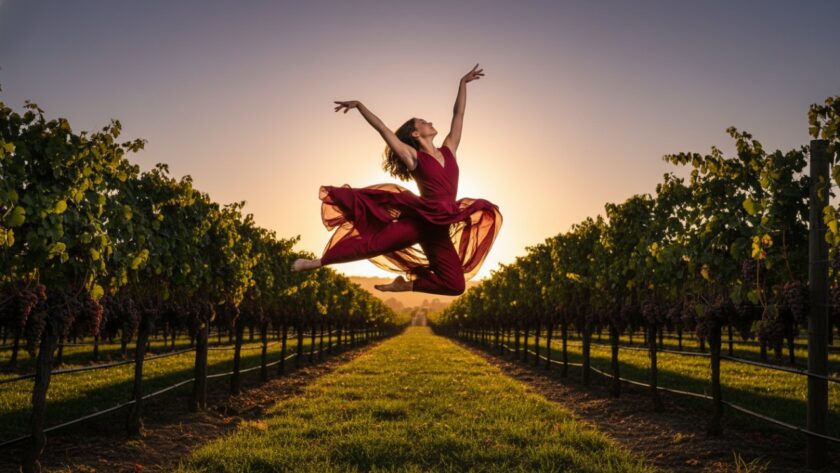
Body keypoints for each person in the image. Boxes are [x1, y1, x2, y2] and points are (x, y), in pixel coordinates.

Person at [291, 64, 502, 296]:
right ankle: (316, 262)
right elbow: (383, 130)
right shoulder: (413, 157)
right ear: (415, 133)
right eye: (423, 121)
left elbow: (458, 115)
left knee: (456, 286)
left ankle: (406, 285)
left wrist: (462, 83)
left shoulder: (450, 149)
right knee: (373, 245)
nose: (429, 121)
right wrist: (360, 106)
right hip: (420, 221)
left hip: (441, 227)